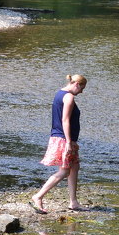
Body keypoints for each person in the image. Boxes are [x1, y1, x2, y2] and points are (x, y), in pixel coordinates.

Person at [30, 74, 87, 213]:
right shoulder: (69, 97)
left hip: (61, 137)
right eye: (82, 88)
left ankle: (73, 202)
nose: (81, 92)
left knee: (74, 166)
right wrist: (68, 142)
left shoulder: (59, 93)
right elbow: (65, 120)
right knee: (64, 170)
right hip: (63, 139)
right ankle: (38, 196)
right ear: (77, 84)